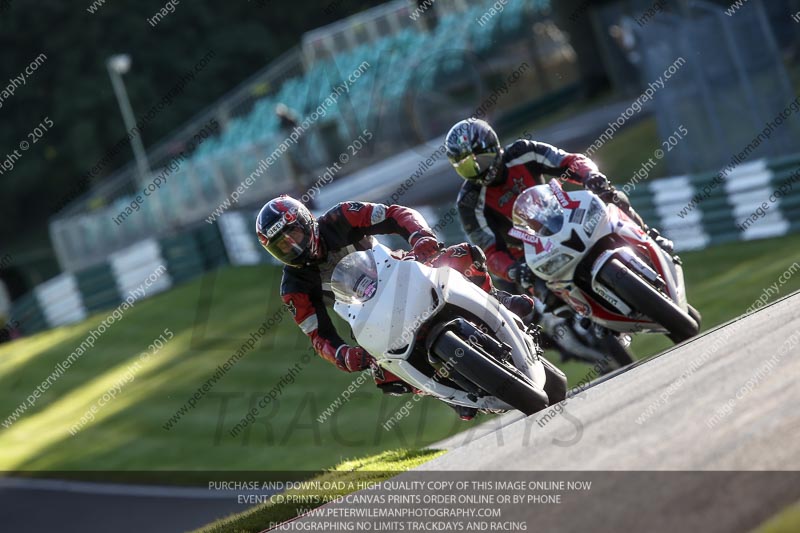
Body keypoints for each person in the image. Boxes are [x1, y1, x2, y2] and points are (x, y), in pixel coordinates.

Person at [256, 195, 534, 420]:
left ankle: (498, 300)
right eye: (283, 246)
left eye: (293, 234)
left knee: (462, 255)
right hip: (368, 315)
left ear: (306, 222)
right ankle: (442, 394)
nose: (293, 247)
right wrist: (344, 356)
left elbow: (394, 214)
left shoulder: (341, 217)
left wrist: (420, 237)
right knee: (383, 374)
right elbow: (318, 335)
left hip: (402, 271)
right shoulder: (293, 287)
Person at [445, 118, 676, 312]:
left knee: (611, 196)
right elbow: (490, 250)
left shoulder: (522, 151)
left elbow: (568, 161)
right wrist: (513, 269)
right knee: (550, 302)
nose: (479, 171)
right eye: (467, 167)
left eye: (481, 161)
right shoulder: (469, 201)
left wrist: (589, 176)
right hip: (529, 254)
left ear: (493, 148)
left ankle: (649, 237)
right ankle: (581, 320)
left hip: (564, 217)